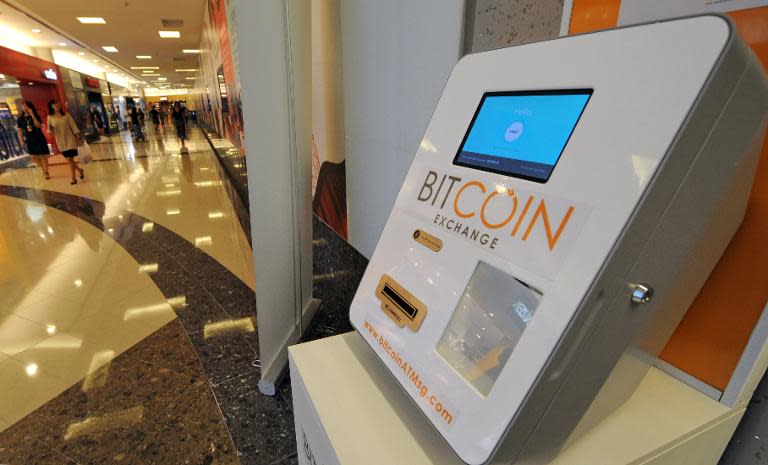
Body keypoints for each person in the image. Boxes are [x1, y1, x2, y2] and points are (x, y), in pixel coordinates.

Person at [47, 100, 85, 185]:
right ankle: (79, 170)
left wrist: (79, 137)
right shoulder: (50, 117)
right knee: (69, 160)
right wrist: (50, 130)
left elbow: (74, 126)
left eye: (57, 103)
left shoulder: (66, 115)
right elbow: (49, 131)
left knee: (70, 159)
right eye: (54, 104)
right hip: (60, 142)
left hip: (70, 140)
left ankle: (73, 178)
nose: (56, 105)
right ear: (51, 106)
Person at [17, 101, 51, 179]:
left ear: (30, 107)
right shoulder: (20, 119)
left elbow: (38, 126)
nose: (24, 107)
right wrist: (21, 140)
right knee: (34, 157)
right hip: (30, 139)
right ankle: (43, 169)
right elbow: (20, 131)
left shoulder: (35, 115)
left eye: (26, 106)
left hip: (39, 137)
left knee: (43, 156)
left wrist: (32, 115)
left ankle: (46, 171)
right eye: (23, 106)